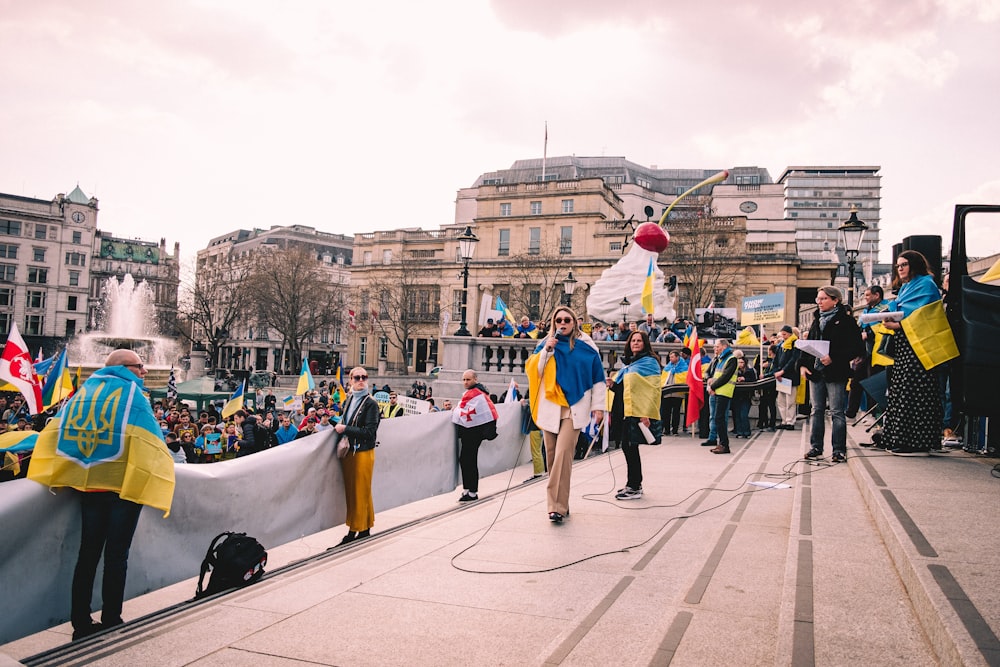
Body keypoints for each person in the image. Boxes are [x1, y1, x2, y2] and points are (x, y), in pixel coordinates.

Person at [28, 349, 174, 641]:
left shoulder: (84, 393)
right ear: (123, 368)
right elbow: (151, 441)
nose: (144, 372)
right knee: (116, 556)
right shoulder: (133, 398)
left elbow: (57, 431)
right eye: (139, 366)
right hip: (121, 488)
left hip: (89, 486)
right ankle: (111, 618)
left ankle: (80, 622)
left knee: (87, 555)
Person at [526, 307, 606, 523]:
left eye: (567, 320)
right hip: (550, 405)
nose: (563, 323)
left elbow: (598, 377)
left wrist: (599, 407)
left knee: (562, 455)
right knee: (552, 457)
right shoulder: (546, 343)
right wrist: (546, 351)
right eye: (558, 320)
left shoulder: (587, 345)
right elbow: (534, 370)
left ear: (574, 322)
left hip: (575, 407)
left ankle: (556, 507)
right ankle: (562, 502)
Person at [881, 251, 945, 454]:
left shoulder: (926, 284)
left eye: (904, 264)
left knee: (915, 392)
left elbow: (927, 317)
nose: (900, 268)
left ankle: (916, 441)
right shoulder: (905, 288)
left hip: (919, 347)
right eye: (898, 265)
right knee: (900, 391)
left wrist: (897, 326)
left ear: (915, 265)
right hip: (904, 346)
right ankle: (898, 437)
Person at [801, 286, 864, 462]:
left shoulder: (846, 321)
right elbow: (809, 344)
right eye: (818, 299)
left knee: (836, 411)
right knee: (816, 410)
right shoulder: (816, 320)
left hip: (835, 371)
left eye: (823, 299)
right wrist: (803, 365)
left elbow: (856, 348)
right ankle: (816, 447)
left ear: (835, 300)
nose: (819, 302)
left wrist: (834, 357)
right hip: (816, 371)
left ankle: (838, 449)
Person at [608, 331, 662, 500]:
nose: (636, 343)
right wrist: (613, 384)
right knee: (627, 446)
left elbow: (652, 390)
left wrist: (646, 413)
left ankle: (635, 485)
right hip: (625, 410)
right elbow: (625, 387)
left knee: (631, 447)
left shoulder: (650, 363)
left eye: (639, 341)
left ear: (645, 343)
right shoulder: (629, 364)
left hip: (638, 411)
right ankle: (632, 484)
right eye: (633, 341)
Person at [334, 367, 381, 545]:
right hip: (350, 451)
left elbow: (370, 432)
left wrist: (345, 428)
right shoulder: (350, 399)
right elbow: (346, 420)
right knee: (356, 491)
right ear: (351, 380)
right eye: (357, 377)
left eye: (364, 377)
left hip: (362, 451)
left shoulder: (371, 403)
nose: (361, 380)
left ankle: (355, 529)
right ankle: (365, 526)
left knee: (360, 491)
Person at [452, 369, 499, 502]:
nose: (465, 382)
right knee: (466, 460)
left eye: (468, 379)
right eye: (464, 379)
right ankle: (468, 489)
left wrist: (455, 410)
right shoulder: (479, 392)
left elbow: (461, 411)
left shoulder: (474, 393)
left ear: (475, 379)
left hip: (472, 432)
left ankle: (472, 491)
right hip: (473, 431)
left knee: (469, 460)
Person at [848, 285, 890, 418]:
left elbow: (884, 328)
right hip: (865, 352)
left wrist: (869, 334)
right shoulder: (866, 311)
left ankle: (876, 414)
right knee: (856, 382)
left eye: (867, 295)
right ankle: (851, 411)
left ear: (876, 295)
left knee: (873, 384)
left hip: (878, 352)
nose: (865, 298)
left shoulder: (885, 309)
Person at [702, 339, 737, 454]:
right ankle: (722, 443)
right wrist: (711, 384)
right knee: (718, 418)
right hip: (718, 391)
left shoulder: (731, 359)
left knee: (719, 418)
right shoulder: (721, 358)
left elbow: (725, 377)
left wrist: (713, 387)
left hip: (724, 391)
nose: (715, 348)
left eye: (717, 346)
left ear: (724, 346)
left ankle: (724, 445)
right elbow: (715, 375)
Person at [772, 325, 802, 430]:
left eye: (785, 334)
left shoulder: (795, 344)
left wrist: (782, 371)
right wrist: (776, 371)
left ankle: (790, 421)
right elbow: (776, 360)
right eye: (782, 334)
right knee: (781, 400)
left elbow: (793, 360)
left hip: (790, 376)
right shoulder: (781, 345)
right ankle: (784, 420)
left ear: (790, 334)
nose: (783, 336)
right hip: (781, 377)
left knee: (790, 401)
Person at [661, 350, 688, 436]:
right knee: (666, 412)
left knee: (676, 412)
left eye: (672, 357)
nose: (670, 359)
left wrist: (675, 374)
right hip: (667, 393)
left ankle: (675, 430)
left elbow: (685, 379)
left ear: (677, 357)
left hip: (678, 393)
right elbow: (663, 379)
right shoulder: (667, 367)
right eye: (670, 357)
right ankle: (667, 430)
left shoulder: (684, 367)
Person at [731, 352, 758, 438]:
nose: (740, 364)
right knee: (737, 414)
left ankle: (746, 431)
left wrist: (745, 379)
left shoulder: (749, 371)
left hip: (746, 396)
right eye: (739, 362)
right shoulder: (734, 371)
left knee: (743, 414)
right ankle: (739, 431)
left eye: (742, 362)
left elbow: (754, 381)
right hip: (737, 396)